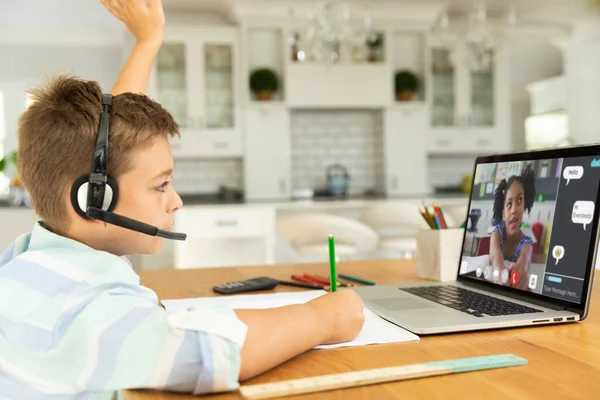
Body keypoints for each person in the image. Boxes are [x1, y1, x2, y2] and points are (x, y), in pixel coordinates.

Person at [0, 1, 365, 398]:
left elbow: (115, 148)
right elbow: (204, 354)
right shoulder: (85, 314)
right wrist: (322, 317)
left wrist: (148, 40)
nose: (175, 202)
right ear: (94, 199)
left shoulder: (27, 261)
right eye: (161, 185)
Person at [489, 166, 536, 290]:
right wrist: (499, 269)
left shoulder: (526, 243)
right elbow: (495, 253)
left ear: (525, 205)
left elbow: (525, 259)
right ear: (503, 212)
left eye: (519, 200)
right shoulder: (497, 233)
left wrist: (521, 269)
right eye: (509, 204)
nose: (514, 209)